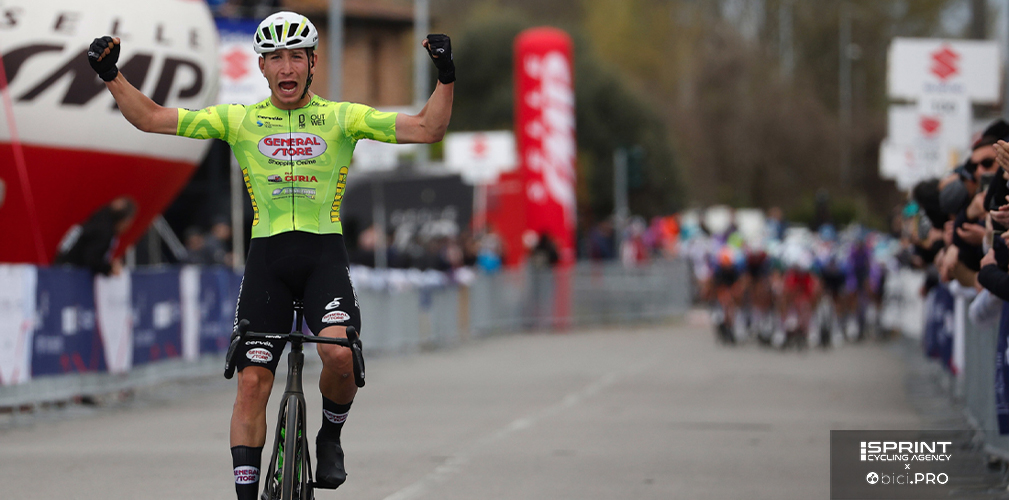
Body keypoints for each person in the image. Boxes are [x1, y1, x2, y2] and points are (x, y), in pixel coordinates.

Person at [88, 11, 454, 498]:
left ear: (312, 62)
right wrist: (111, 75)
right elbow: (151, 118)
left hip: (323, 256)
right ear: (261, 66)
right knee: (252, 383)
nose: (286, 67)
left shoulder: (343, 117)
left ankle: (330, 434)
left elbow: (428, 128)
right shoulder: (239, 120)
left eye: (296, 57)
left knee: (338, 355)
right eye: (276, 57)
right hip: (269, 262)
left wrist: (446, 75)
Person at [53, 196, 136, 276]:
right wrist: (109, 268)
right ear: (124, 221)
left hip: (61, 267)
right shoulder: (103, 231)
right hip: (71, 273)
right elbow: (91, 259)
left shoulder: (98, 220)